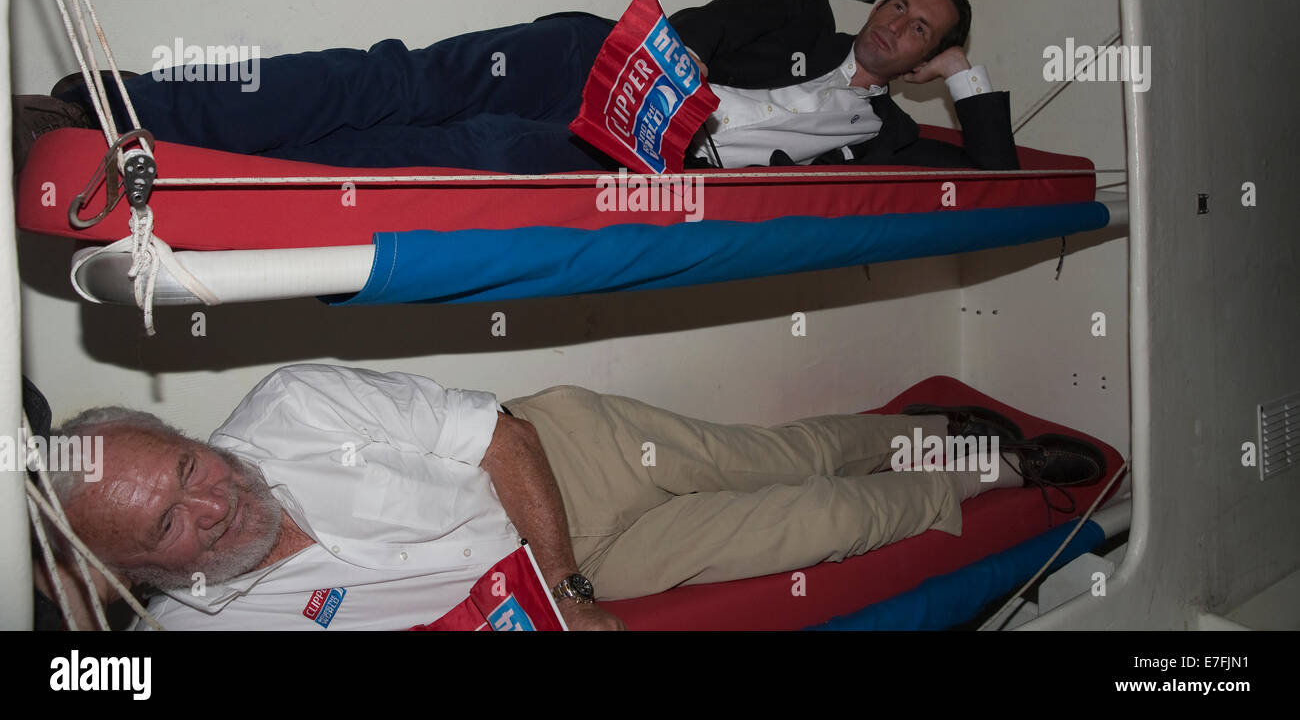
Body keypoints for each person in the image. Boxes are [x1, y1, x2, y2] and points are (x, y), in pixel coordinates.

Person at [43, 363, 1105, 630]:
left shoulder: (291, 404)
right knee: (821, 518)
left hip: (561, 462)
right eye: (168, 520)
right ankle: (983, 471)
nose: (211, 497)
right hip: (546, 585)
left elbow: (500, 433)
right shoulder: (194, 627)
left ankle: (929, 433)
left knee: (781, 452)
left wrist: (569, 582)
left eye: (187, 463)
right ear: (145, 569)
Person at [13, 0, 1018, 174]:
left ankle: (185, 165)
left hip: (644, 163)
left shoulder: (883, 137)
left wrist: (971, 81)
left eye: (922, 29)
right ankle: (115, 105)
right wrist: (681, 76)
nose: (895, 23)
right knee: (389, 78)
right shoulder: (800, 10)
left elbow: (995, 180)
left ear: (931, 62)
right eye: (898, 3)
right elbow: (697, 29)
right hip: (601, 66)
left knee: (452, 149)